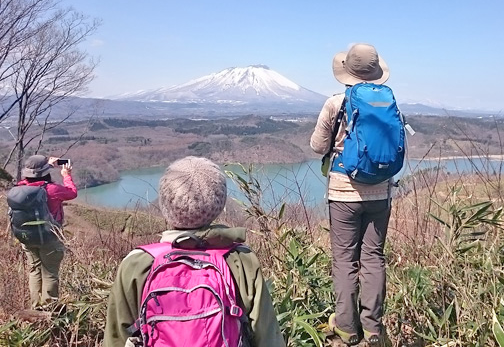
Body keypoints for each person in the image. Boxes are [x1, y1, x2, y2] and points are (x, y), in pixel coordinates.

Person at [104, 156, 286, 347]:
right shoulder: (240, 260)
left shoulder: (137, 263)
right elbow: (267, 337)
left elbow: (116, 337)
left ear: (166, 205)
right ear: (219, 204)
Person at [310, 43, 394, 346]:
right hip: (381, 194)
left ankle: (346, 328)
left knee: (345, 261)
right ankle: (373, 330)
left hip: (344, 193)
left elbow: (318, 147)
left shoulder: (336, 103)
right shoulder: (388, 103)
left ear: (347, 71)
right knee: (374, 258)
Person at [17, 154, 77, 308]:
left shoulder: (20, 188)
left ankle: (36, 307)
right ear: (45, 172)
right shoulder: (52, 189)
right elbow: (72, 192)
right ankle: (49, 310)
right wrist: (66, 175)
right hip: (49, 238)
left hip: (28, 238)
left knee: (35, 270)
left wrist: (48, 166)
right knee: (50, 272)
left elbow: (35, 179)